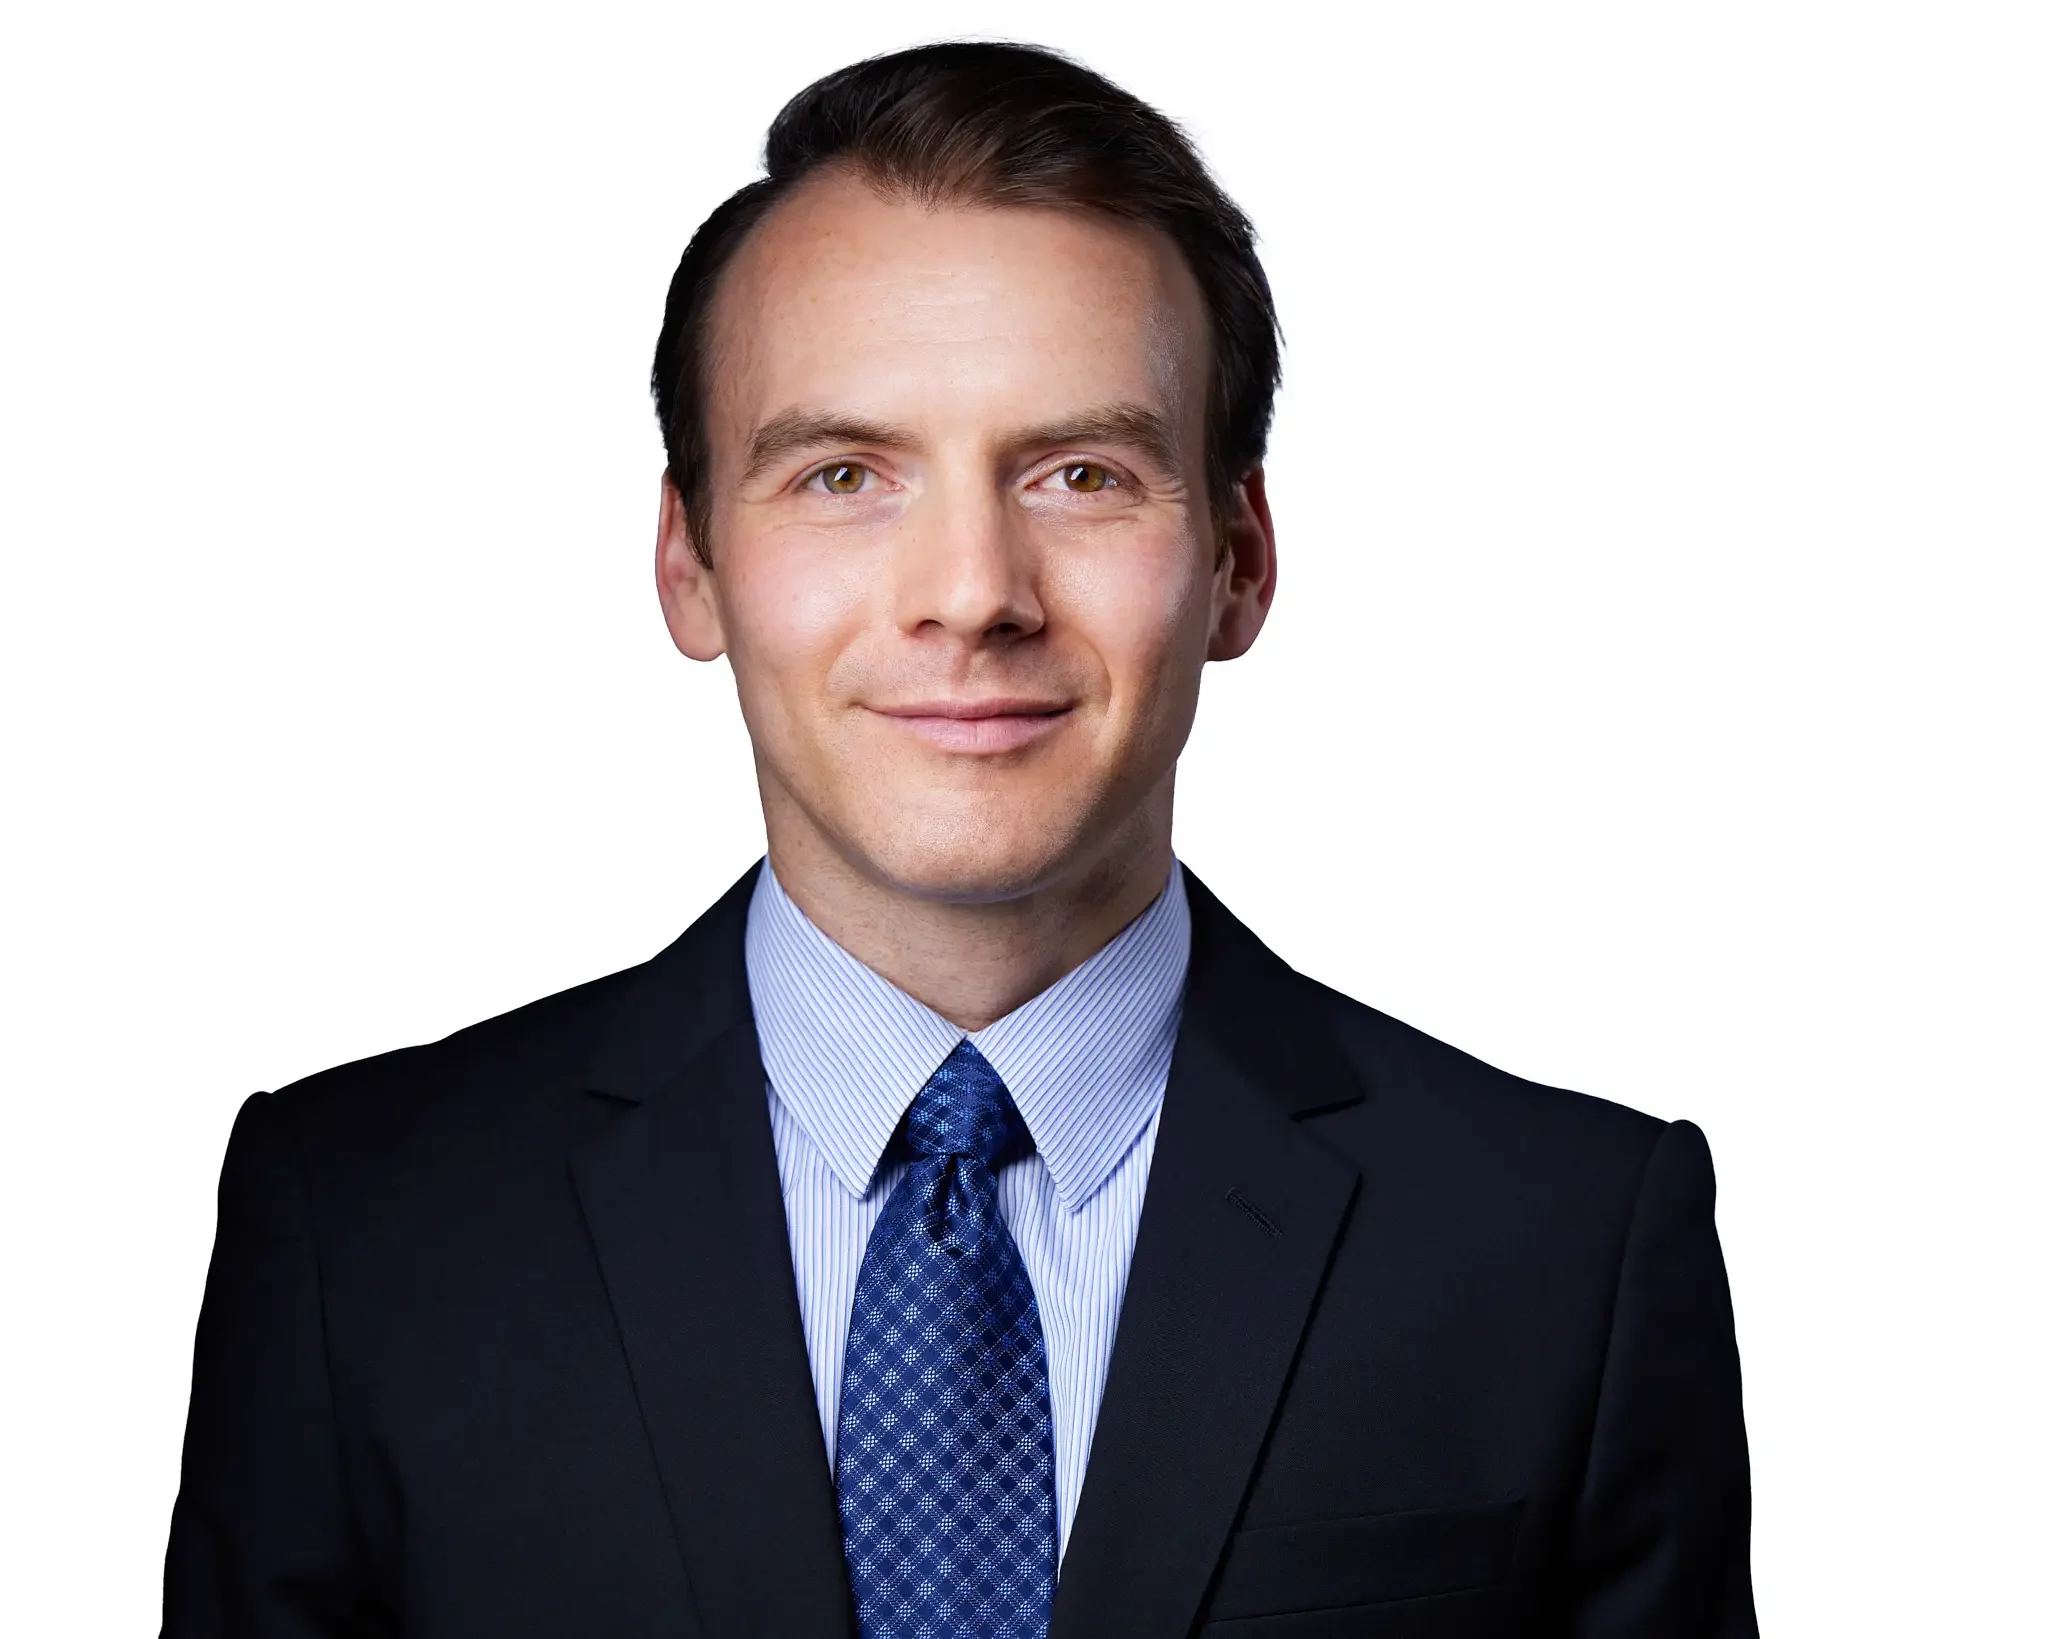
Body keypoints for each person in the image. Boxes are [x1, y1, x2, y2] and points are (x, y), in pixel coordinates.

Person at [161, 41, 1756, 1639]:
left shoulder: (1568, 1248)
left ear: (1239, 559)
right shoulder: (362, 1238)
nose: (972, 591)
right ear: (692, 563)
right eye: (845, 473)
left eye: (1082, 473)